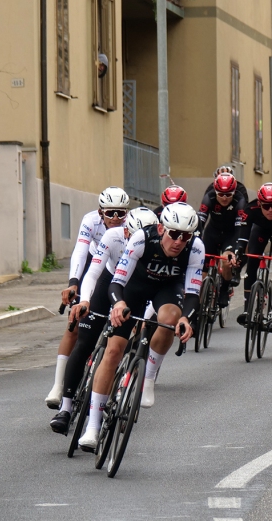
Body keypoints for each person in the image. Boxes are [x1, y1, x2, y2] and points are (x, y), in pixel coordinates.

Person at [77, 202, 203, 451]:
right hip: (134, 286)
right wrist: (118, 304)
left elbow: (192, 293)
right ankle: (92, 427)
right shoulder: (141, 239)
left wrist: (186, 318)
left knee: (170, 319)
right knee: (114, 351)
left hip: (167, 289)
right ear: (161, 229)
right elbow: (116, 282)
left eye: (185, 236)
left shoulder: (196, 248)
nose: (179, 241)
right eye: (174, 234)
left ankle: (148, 378)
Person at [49, 207, 158, 434]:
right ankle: (65, 408)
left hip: (134, 290)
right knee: (84, 342)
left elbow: (154, 292)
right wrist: (85, 300)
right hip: (108, 281)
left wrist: (145, 320)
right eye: (132, 236)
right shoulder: (113, 236)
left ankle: (115, 391)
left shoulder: (157, 247)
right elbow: (93, 272)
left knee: (122, 346)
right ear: (126, 231)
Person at [45, 186, 130, 410]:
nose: (115, 218)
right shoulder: (91, 221)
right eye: (110, 212)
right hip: (94, 263)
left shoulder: (130, 227)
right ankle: (58, 385)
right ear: (100, 212)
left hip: (118, 266)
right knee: (75, 325)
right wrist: (73, 282)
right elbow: (81, 251)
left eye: (121, 213)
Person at [233, 183, 272, 334]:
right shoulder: (251, 209)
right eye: (266, 206)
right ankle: (247, 310)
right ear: (259, 203)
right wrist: (238, 255)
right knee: (252, 260)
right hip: (261, 230)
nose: (270, 210)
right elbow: (242, 240)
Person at [197, 172, 246, 307]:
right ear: (215, 191)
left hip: (231, 234)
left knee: (226, 261)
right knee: (203, 271)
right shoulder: (209, 197)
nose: (224, 198)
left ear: (234, 192)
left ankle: (224, 289)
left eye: (228, 194)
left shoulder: (240, 201)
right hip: (212, 232)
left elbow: (239, 229)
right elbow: (200, 222)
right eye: (221, 194)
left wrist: (237, 249)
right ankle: (199, 306)